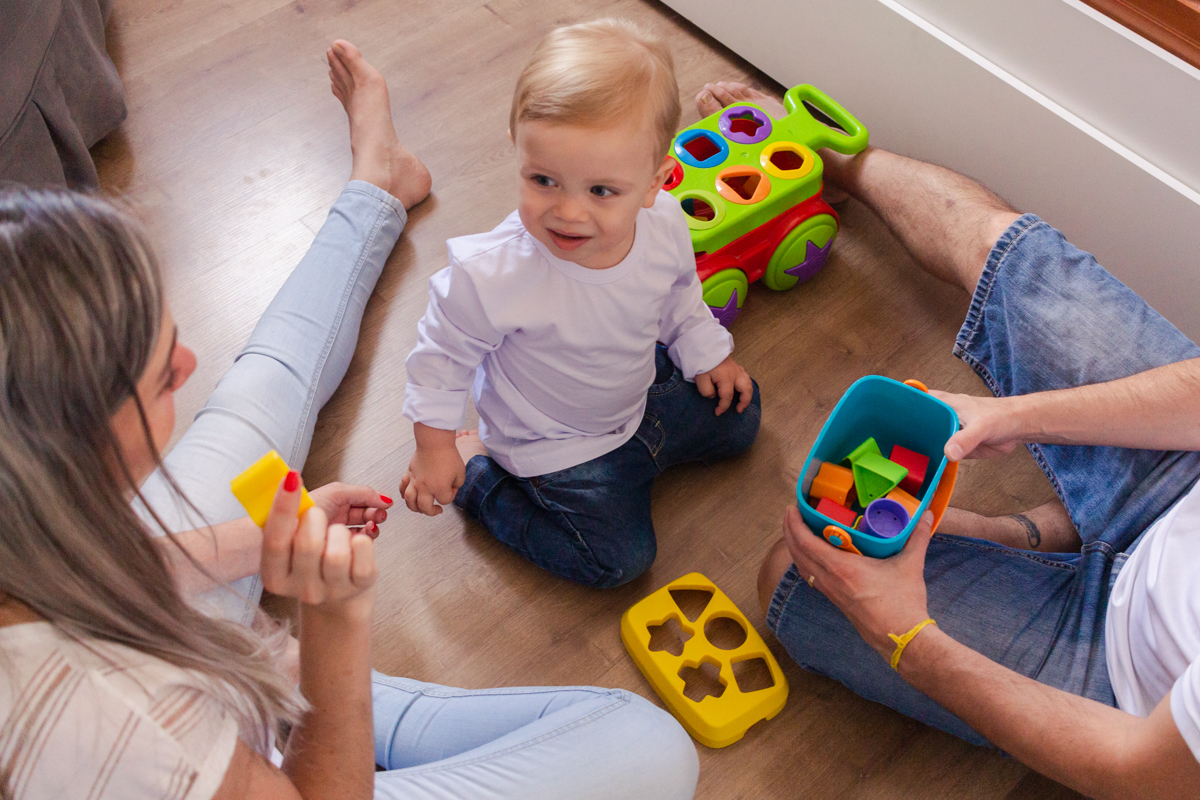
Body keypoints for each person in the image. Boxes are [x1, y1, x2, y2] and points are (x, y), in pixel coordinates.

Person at [0, 41, 700, 800]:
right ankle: (325, 705)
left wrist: (257, 543)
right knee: (650, 744)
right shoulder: (115, 725)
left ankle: (376, 181)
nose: (189, 366)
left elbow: (73, 577)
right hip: (240, 755)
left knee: (266, 378)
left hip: (174, 658)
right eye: (159, 373)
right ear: (65, 448)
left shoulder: (32, 527)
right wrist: (333, 624)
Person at [690, 82, 1200, 797]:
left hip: (1119, 685)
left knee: (793, 577)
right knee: (1002, 247)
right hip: (1184, 480)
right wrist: (1018, 416)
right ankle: (831, 160)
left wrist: (905, 637)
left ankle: (1053, 537)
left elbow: (1139, 771)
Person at [399, 19, 761, 588]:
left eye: (600, 191)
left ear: (655, 183)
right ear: (517, 152)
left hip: (639, 399)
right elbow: (439, 360)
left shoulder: (663, 222)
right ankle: (483, 479)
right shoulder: (490, 276)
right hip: (552, 446)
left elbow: (677, 297)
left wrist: (706, 352)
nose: (568, 212)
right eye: (543, 180)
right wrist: (434, 448)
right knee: (618, 562)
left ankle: (645, 454)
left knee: (743, 416)